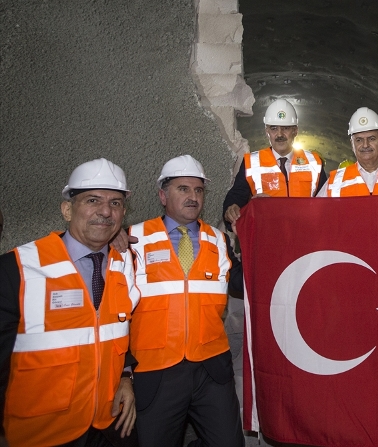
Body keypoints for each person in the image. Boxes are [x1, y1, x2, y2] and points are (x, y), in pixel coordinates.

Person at [0, 158, 138, 447]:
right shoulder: (17, 269)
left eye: (115, 203)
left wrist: (126, 376)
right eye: (93, 200)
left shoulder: (124, 266)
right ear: (66, 209)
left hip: (109, 427)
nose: (105, 212)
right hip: (42, 435)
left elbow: (117, 332)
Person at [129, 155, 244, 447]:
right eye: (183, 189)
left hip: (211, 369)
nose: (193, 197)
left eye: (198, 190)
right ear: (163, 195)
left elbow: (244, 284)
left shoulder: (219, 240)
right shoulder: (133, 239)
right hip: (156, 370)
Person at [223, 98, 326, 231]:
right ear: (267, 131)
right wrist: (232, 207)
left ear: (295, 131)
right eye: (274, 128)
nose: (280, 134)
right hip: (268, 237)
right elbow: (237, 195)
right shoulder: (252, 163)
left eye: (286, 128)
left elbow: (326, 202)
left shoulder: (314, 162)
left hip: (305, 236)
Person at [318, 107, 378, 196]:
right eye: (359, 140)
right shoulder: (335, 182)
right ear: (352, 145)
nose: (365, 145)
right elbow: (318, 213)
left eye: (372, 138)